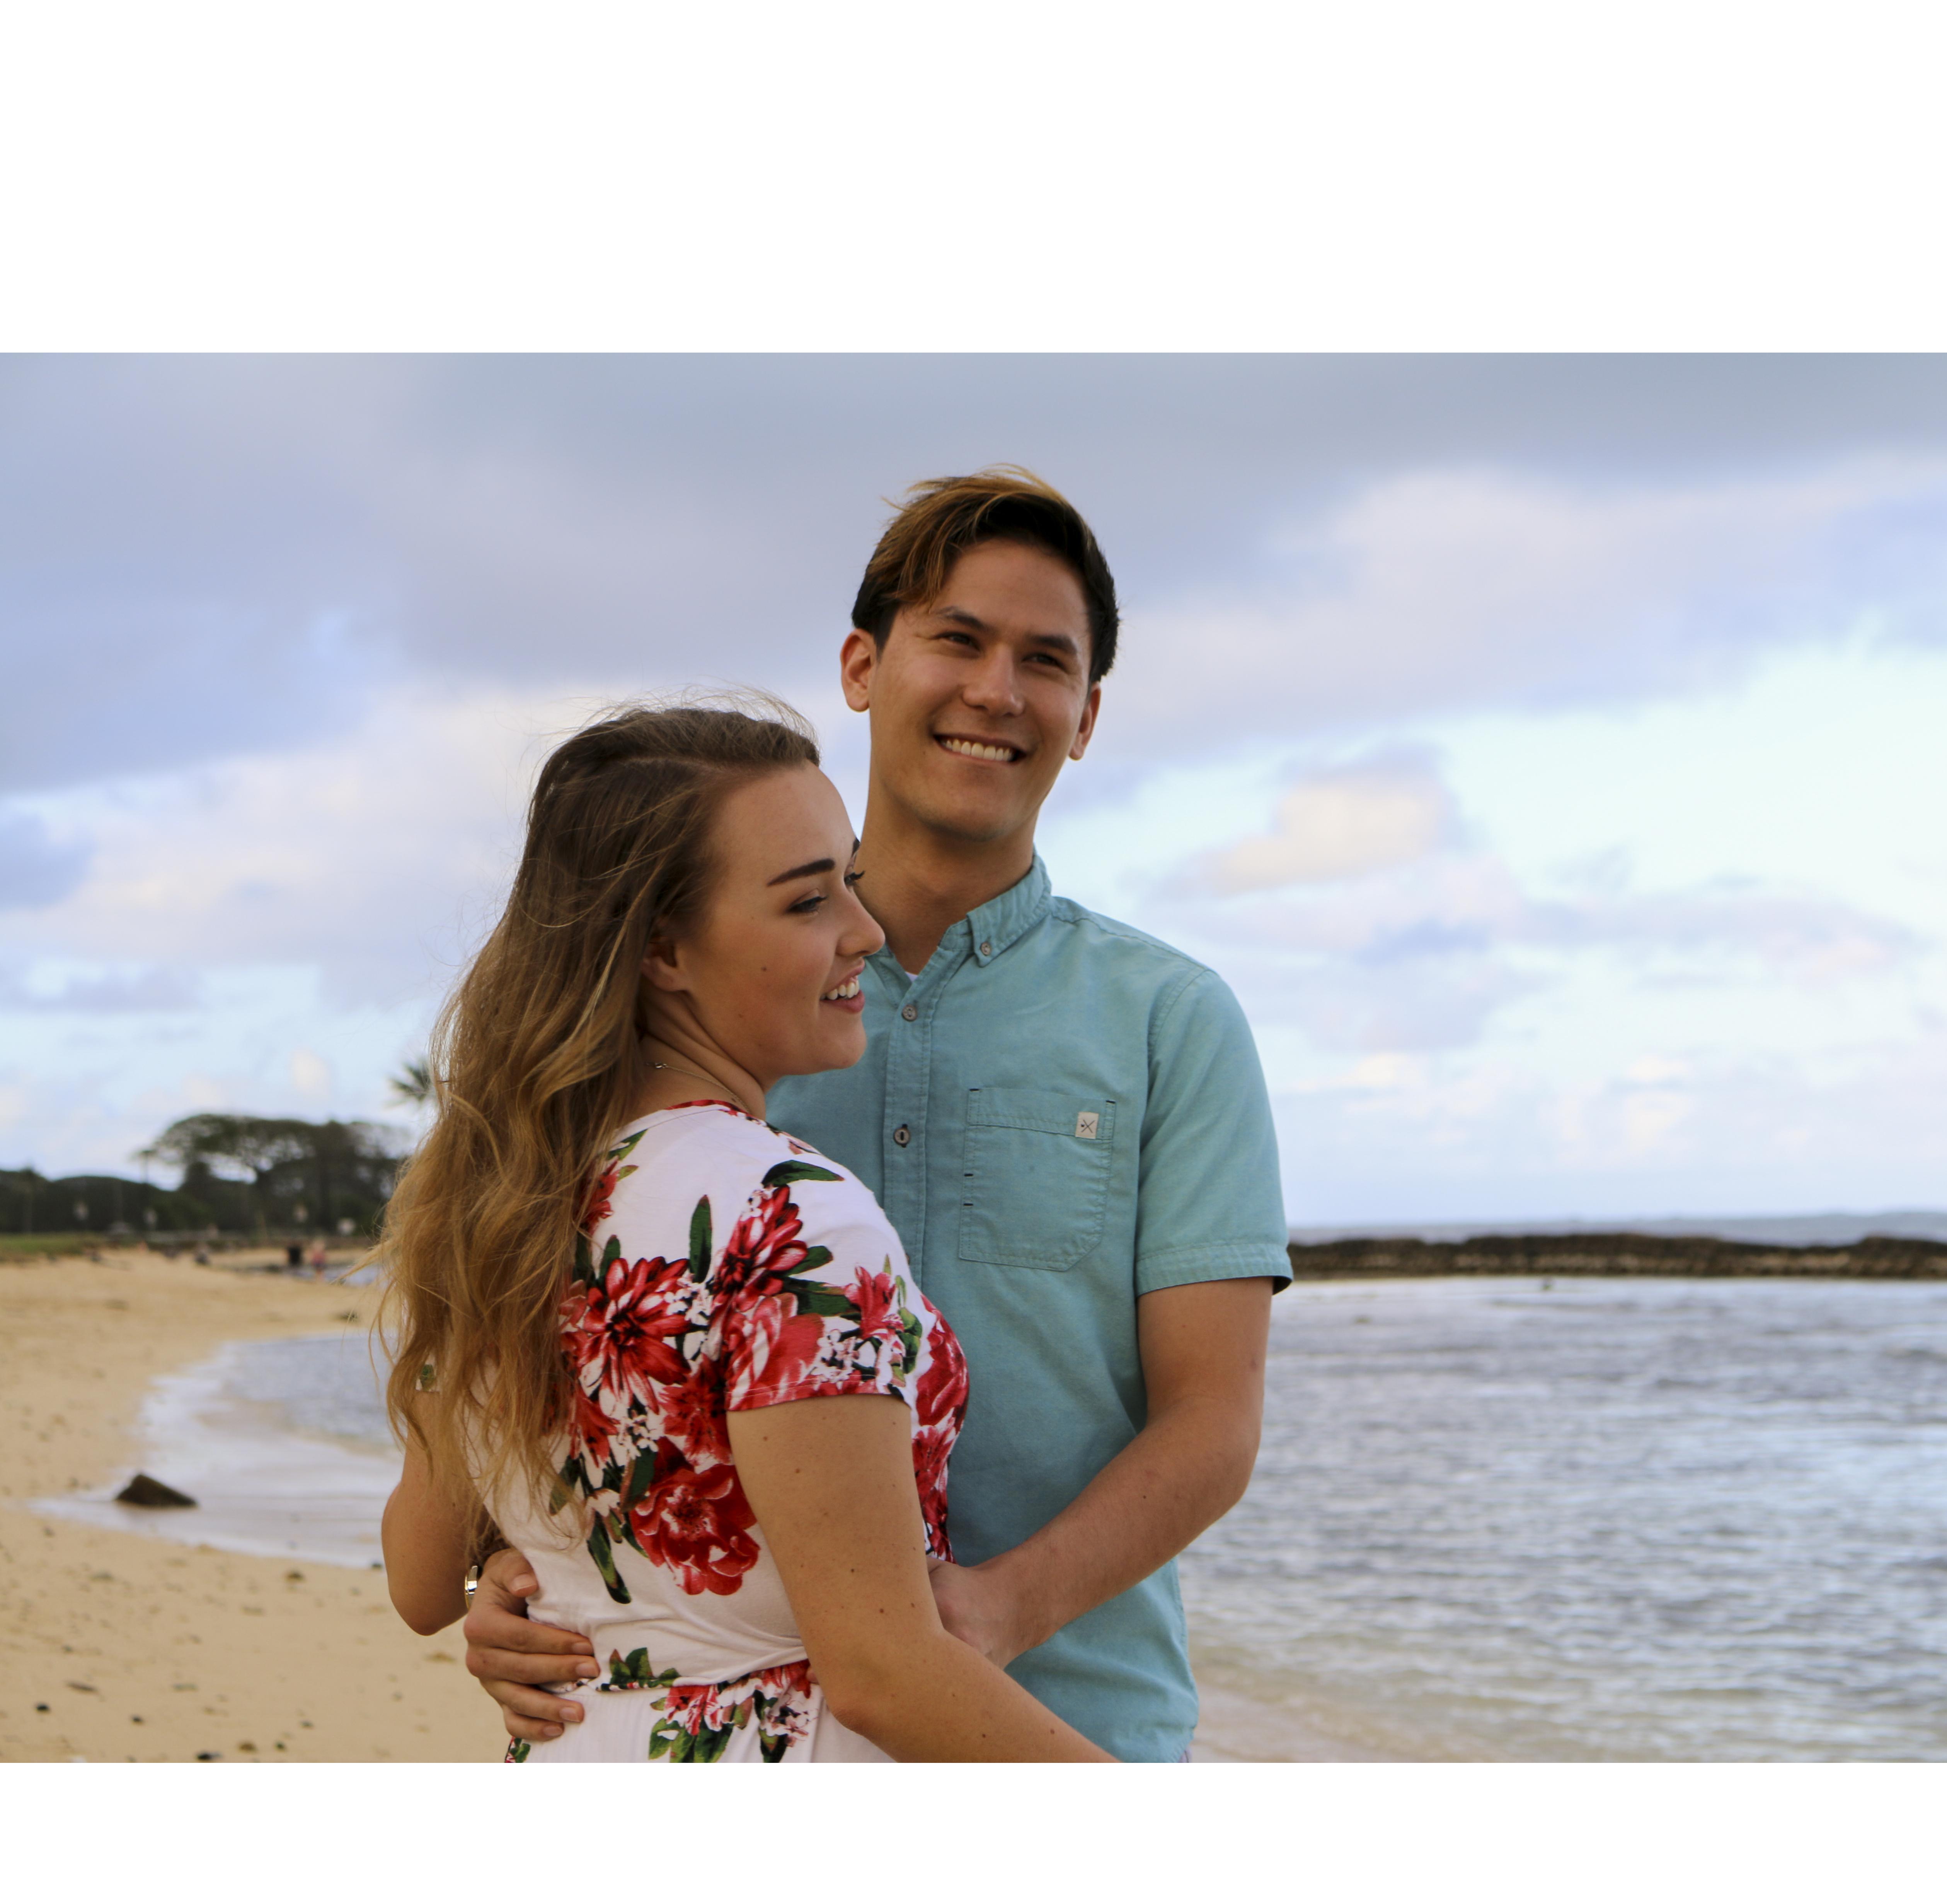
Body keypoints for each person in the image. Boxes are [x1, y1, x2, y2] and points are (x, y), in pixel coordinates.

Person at [467, 469, 1291, 1762]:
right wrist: (519, 1566)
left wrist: (1002, 1609)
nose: (997, 691)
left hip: (1077, 1718)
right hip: (742, 1724)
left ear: (1086, 718)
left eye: (1046, 662)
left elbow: (1214, 1423)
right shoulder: (708, 991)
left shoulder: (1170, 1020)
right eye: (958, 639)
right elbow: (524, 1309)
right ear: (862, 665)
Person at [378, 699, 1108, 1763]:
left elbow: (418, 1581)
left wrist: (543, 1577)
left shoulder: (502, 1202)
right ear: (663, 950)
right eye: (809, 900)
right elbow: (884, 1673)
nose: (865, 932)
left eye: (849, 882)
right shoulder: (791, 1216)